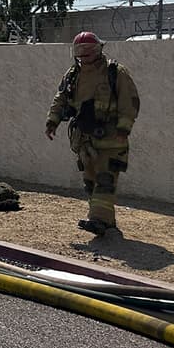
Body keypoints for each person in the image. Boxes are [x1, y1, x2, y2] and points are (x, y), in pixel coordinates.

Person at [44, 31, 140, 236]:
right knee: (90, 182)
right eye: (80, 50)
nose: (85, 54)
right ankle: (106, 222)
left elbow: (129, 101)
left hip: (111, 139)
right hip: (85, 140)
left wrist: (124, 129)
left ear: (99, 49)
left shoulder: (115, 72)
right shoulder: (73, 75)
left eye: (89, 49)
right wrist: (52, 121)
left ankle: (98, 220)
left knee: (105, 181)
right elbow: (61, 98)